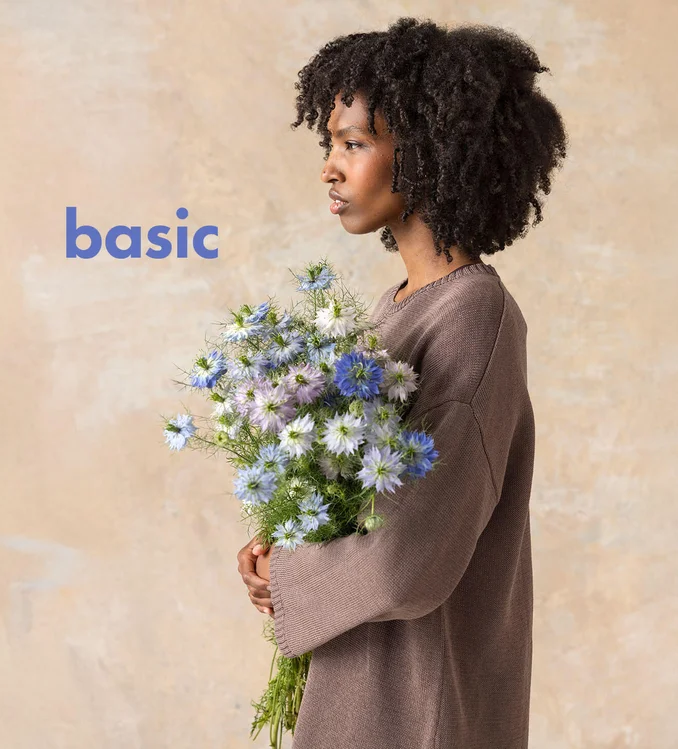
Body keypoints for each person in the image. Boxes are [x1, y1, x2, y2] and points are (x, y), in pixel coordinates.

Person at [237, 17, 567, 749]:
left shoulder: (473, 314)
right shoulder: (400, 307)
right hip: (365, 690)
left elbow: (407, 557)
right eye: (331, 143)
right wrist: (282, 539)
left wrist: (294, 576)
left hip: (417, 709)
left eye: (354, 143)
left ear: (425, 154)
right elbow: (369, 504)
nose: (330, 165)